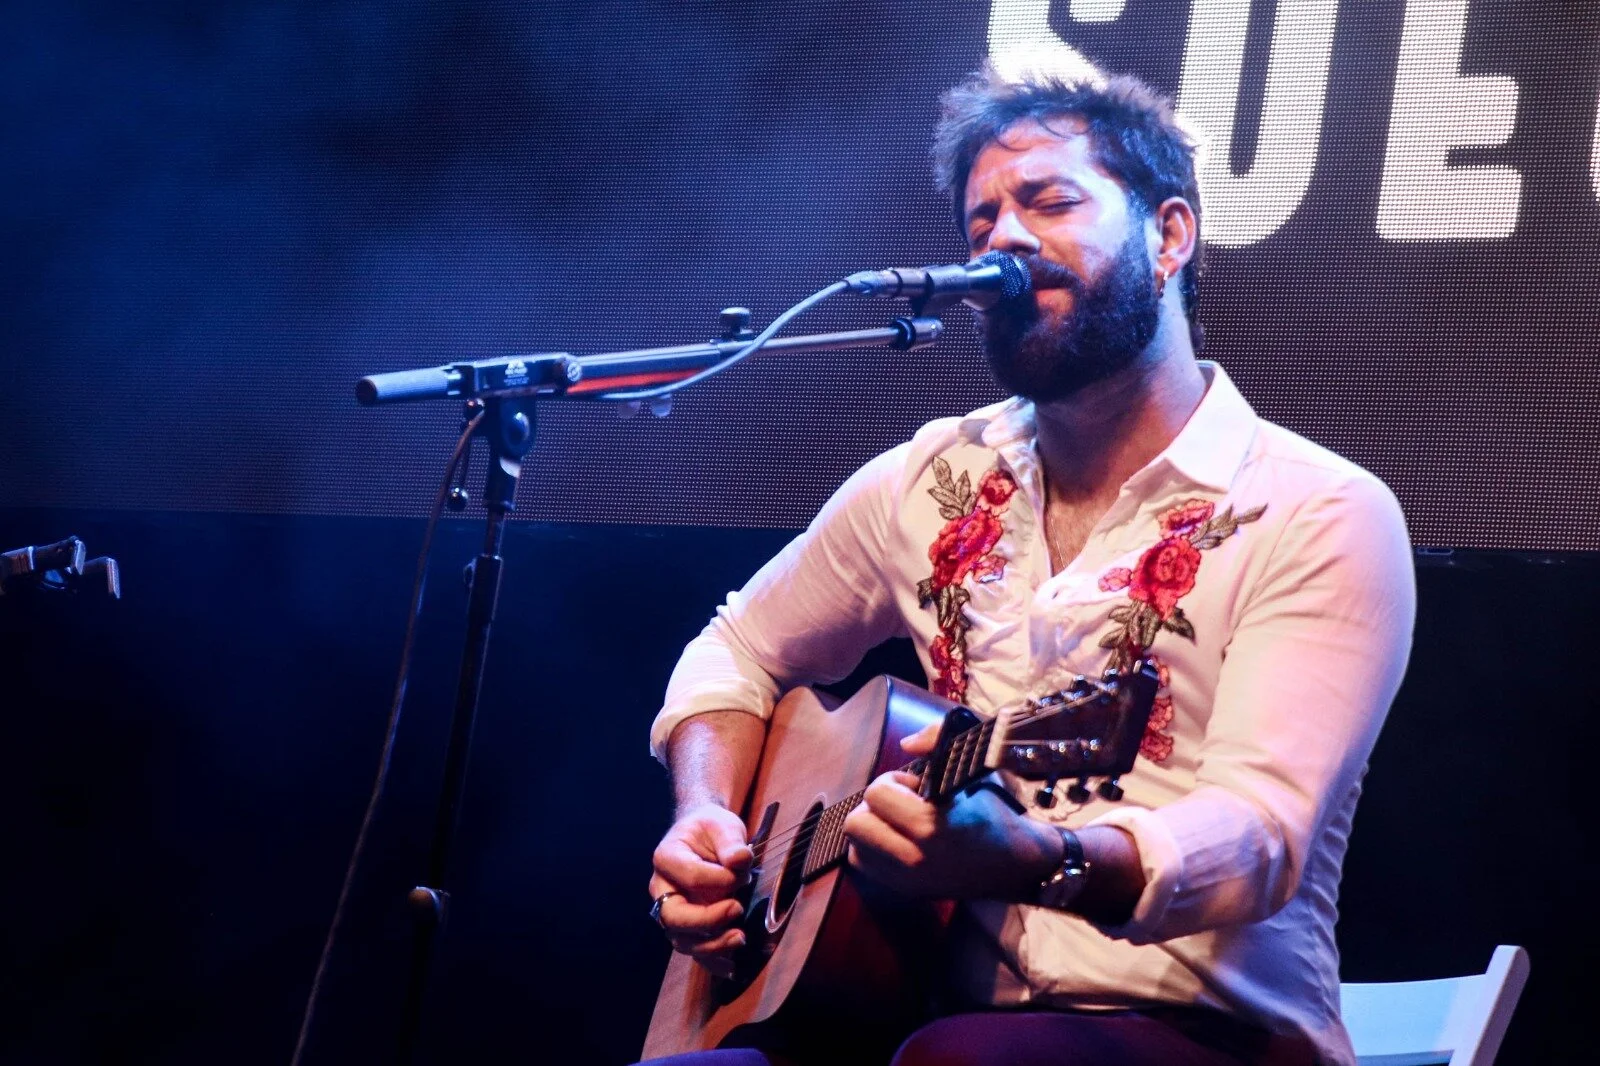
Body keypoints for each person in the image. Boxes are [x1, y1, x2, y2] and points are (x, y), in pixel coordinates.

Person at [642, 65, 1415, 1066]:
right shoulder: (929, 476)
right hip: (910, 1017)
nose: (1004, 236)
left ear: (1168, 235)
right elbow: (734, 649)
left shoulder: (1313, 507)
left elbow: (1259, 833)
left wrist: (1042, 861)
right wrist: (705, 814)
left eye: (1047, 201)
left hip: (1209, 1034)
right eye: (980, 225)